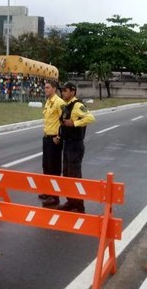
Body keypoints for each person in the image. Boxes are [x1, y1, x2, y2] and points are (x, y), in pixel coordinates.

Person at [57, 81, 95, 213]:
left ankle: (79, 206)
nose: (63, 93)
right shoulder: (66, 106)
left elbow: (90, 118)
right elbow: (63, 123)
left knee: (74, 175)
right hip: (67, 144)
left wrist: (75, 123)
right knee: (67, 175)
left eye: (66, 90)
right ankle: (70, 201)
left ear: (73, 92)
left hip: (75, 145)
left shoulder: (78, 105)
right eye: (62, 91)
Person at [40, 79, 65, 208]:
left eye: (48, 87)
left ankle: (54, 197)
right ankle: (47, 191)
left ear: (54, 89)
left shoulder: (59, 102)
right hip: (46, 138)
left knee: (54, 168)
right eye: (45, 87)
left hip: (55, 139)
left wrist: (59, 136)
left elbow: (64, 121)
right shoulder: (48, 102)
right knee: (46, 166)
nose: (46, 89)